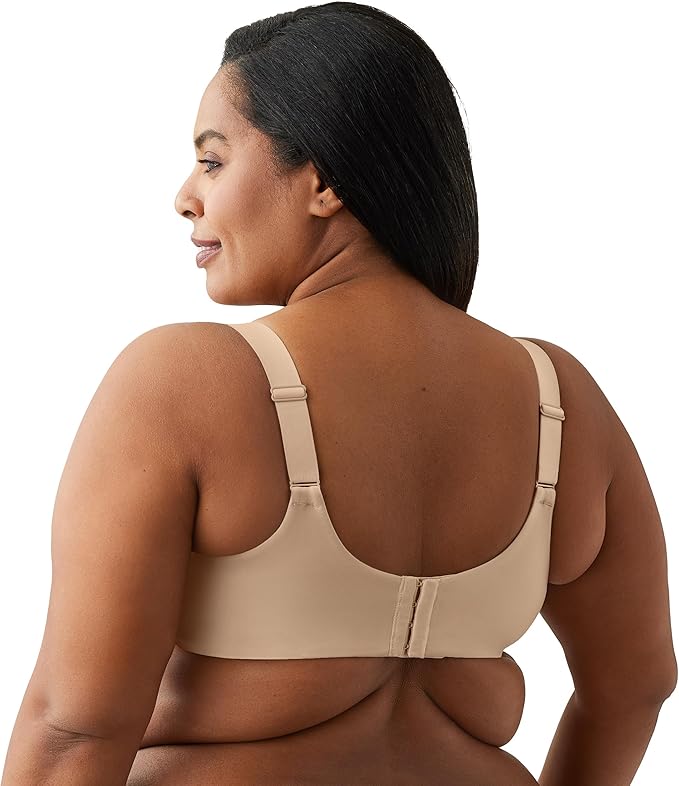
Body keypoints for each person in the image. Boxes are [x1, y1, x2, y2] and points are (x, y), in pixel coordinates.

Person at [2, 3, 675, 785]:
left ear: (323, 182)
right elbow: (635, 686)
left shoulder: (188, 380)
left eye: (212, 161)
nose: (185, 196)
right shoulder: (559, 402)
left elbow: (76, 727)